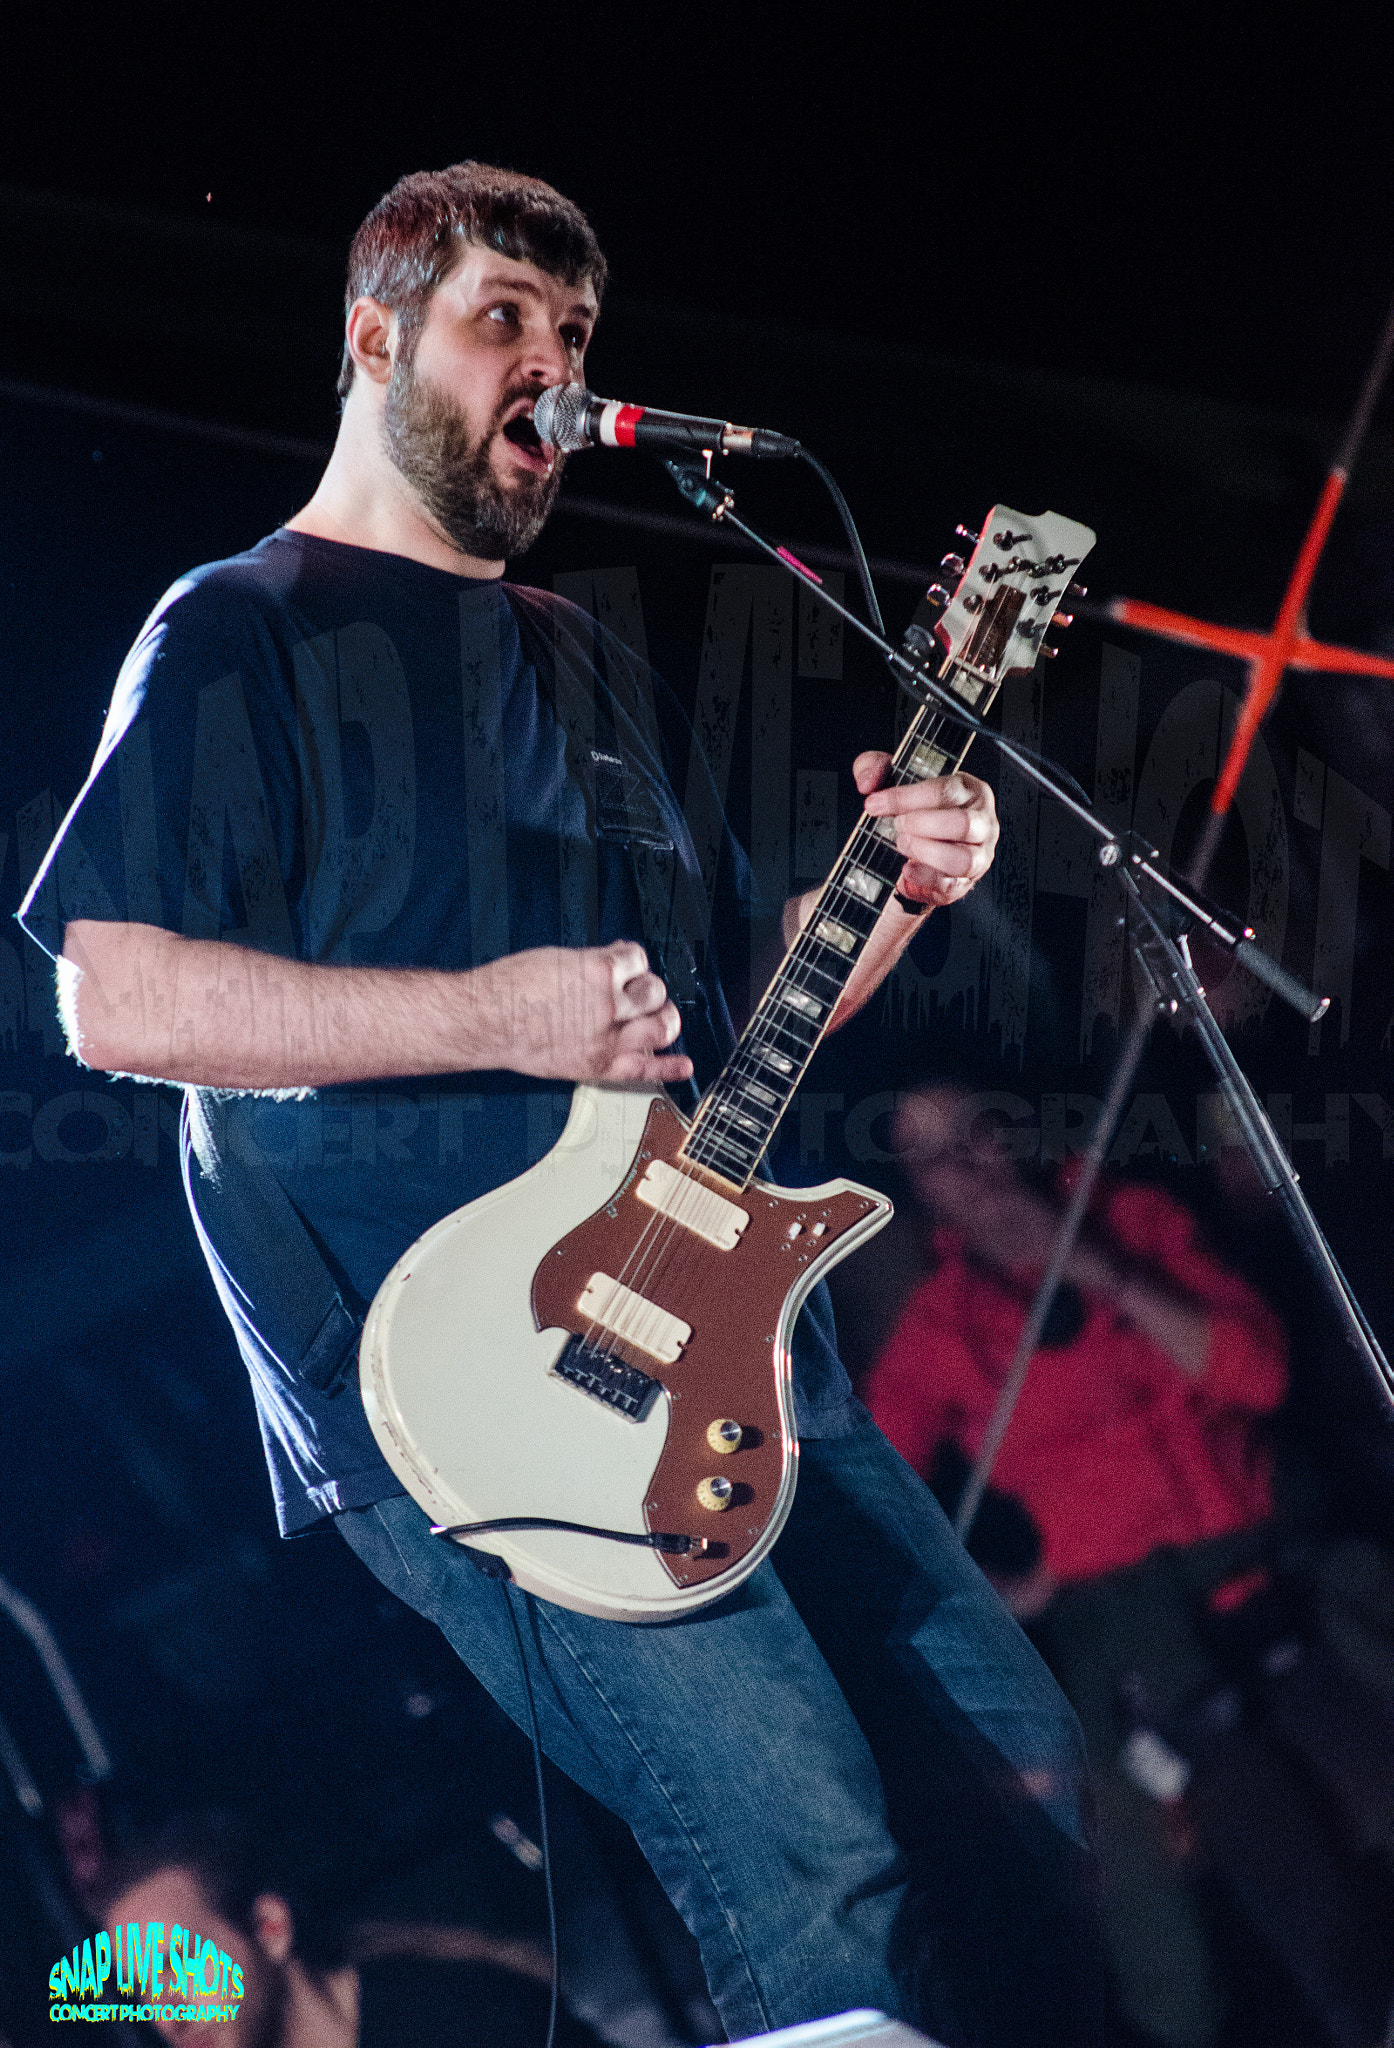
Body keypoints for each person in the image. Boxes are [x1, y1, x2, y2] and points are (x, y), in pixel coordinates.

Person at [21, 163, 1105, 2045]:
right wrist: (489, 1011)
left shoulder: (580, 656)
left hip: (727, 1333)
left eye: (577, 333)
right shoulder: (236, 631)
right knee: (803, 1856)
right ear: (373, 342)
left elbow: (722, 1035)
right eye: (499, 321)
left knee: (1011, 1766)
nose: (550, 367)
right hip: (472, 1380)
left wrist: (893, 887)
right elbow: (114, 991)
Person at [865, 1086, 1290, 2048]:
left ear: (1013, 1130)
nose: (970, 1167)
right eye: (937, 1158)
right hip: (1110, 1603)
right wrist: (997, 1594)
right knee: (1142, 1894)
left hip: (1251, 1545)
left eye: (979, 1132)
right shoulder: (939, 1329)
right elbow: (875, 1496)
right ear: (919, 1193)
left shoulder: (1132, 1218)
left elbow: (1258, 1376)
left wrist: (1101, 1267)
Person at [92, 1811, 606, 2048]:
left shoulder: (464, 2017)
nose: (167, 2016)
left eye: (174, 1965)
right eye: (141, 1988)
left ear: (270, 1928)